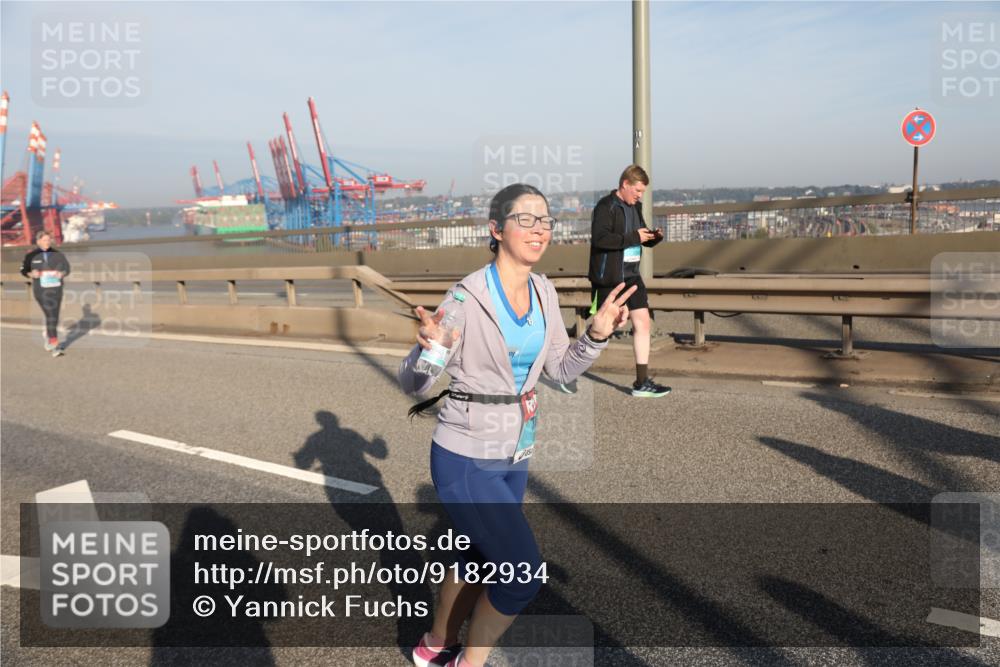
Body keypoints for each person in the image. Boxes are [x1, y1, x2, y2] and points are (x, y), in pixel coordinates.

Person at [398, 183, 635, 667]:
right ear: (496, 229)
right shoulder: (466, 297)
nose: (538, 229)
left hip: (515, 451)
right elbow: (414, 385)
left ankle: (433, 646)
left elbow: (560, 370)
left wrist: (595, 335)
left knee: (478, 560)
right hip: (466, 455)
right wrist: (433, 349)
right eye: (525, 219)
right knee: (522, 574)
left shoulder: (543, 290)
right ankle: (472, 662)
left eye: (545, 220)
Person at [579, 164, 671, 398]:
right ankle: (568, 367)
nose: (640, 196)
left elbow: (639, 237)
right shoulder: (605, 207)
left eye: (642, 192)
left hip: (632, 275)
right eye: (637, 191)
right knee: (605, 329)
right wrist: (633, 237)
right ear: (625, 185)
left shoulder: (635, 207)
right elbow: (600, 239)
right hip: (611, 277)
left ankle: (641, 382)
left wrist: (652, 238)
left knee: (643, 323)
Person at [20, 230, 70, 357]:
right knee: (51, 315)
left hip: (56, 290)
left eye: (48, 240)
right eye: (44, 240)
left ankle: (48, 336)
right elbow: (23, 270)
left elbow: (67, 269)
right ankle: (55, 346)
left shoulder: (58, 254)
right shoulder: (31, 255)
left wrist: (62, 273)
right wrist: (31, 274)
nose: (47, 242)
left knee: (54, 316)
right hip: (41, 291)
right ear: (38, 241)